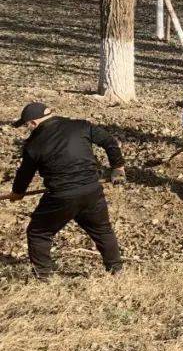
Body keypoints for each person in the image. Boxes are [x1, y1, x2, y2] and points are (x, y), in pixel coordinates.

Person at [6, 103, 125, 278]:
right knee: (102, 229)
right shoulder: (81, 126)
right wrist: (118, 166)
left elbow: (25, 173)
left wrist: (17, 192)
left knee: (39, 232)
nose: (28, 129)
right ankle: (116, 270)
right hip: (91, 190)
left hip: (61, 196)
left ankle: (44, 276)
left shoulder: (33, 144)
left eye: (26, 125)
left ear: (33, 123)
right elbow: (109, 141)